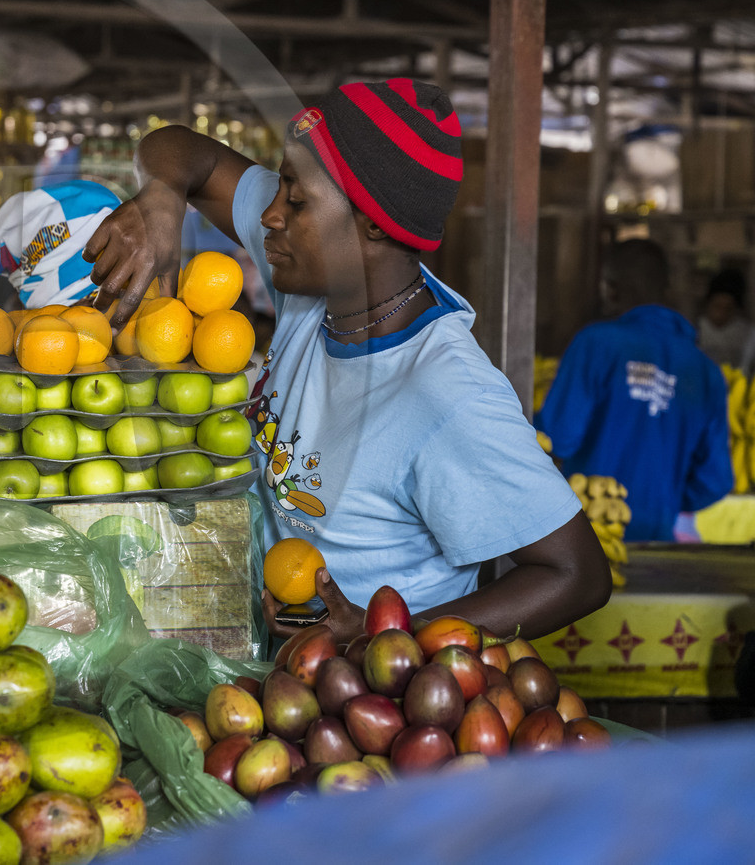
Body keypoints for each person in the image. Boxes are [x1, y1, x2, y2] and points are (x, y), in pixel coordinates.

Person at [84, 78, 610, 643]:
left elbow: (576, 574)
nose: (270, 217)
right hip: (269, 671)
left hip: (365, 704)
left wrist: (379, 632)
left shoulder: (446, 393)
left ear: (374, 224)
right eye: (279, 188)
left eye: (297, 200)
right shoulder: (317, 286)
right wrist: (163, 196)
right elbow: (182, 149)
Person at [537, 240, 733, 543]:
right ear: (665, 289)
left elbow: (557, 439)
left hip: (588, 536)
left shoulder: (595, 343)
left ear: (610, 288)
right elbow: (716, 480)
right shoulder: (706, 371)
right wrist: (658, 502)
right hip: (658, 540)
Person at [696, 269, 749, 369]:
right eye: (717, 306)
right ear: (708, 304)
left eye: (728, 308)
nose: (721, 313)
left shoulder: (746, 334)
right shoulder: (696, 328)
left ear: (736, 309)